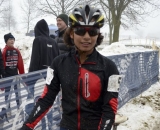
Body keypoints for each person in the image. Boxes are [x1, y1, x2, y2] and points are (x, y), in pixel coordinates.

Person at [20, 5, 120, 130]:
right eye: (80, 31)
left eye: (92, 31)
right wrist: (27, 126)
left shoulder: (109, 67)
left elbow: (110, 108)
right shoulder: (58, 63)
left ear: (98, 35)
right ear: (72, 33)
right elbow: (46, 99)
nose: (87, 37)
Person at [2, 33, 25, 109]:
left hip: (16, 76)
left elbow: (20, 64)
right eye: (10, 39)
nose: (12, 41)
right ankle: (7, 109)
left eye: (13, 39)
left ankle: (19, 107)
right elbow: (1, 65)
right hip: (7, 76)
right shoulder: (4, 51)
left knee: (18, 93)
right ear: (6, 41)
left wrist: (22, 75)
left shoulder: (16, 51)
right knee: (7, 94)